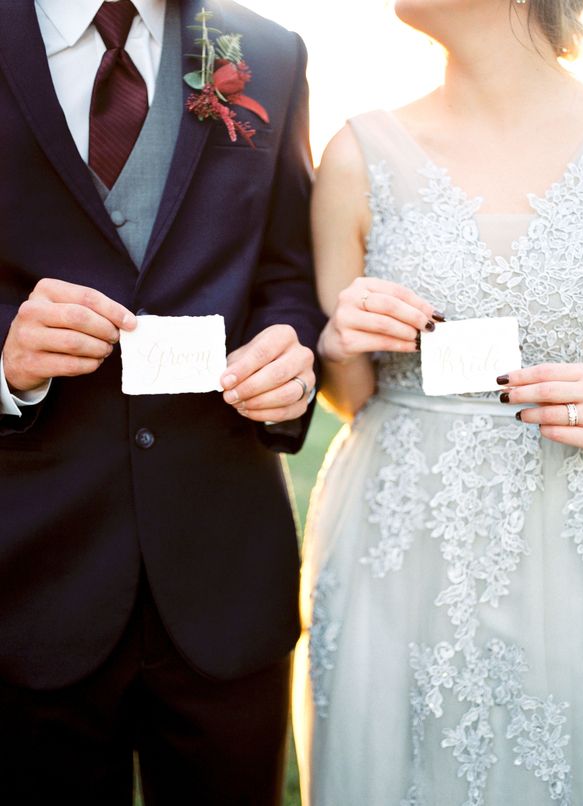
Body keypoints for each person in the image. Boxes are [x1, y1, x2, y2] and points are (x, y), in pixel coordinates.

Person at [0, 0, 324, 803]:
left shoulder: (268, 53)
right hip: (25, 581)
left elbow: (287, 274)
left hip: (225, 577)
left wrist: (288, 354)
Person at [293, 1, 583, 804]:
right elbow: (349, 395)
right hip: (400, 546)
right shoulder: (359, 151)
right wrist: (340, 342)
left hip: (579, 542)